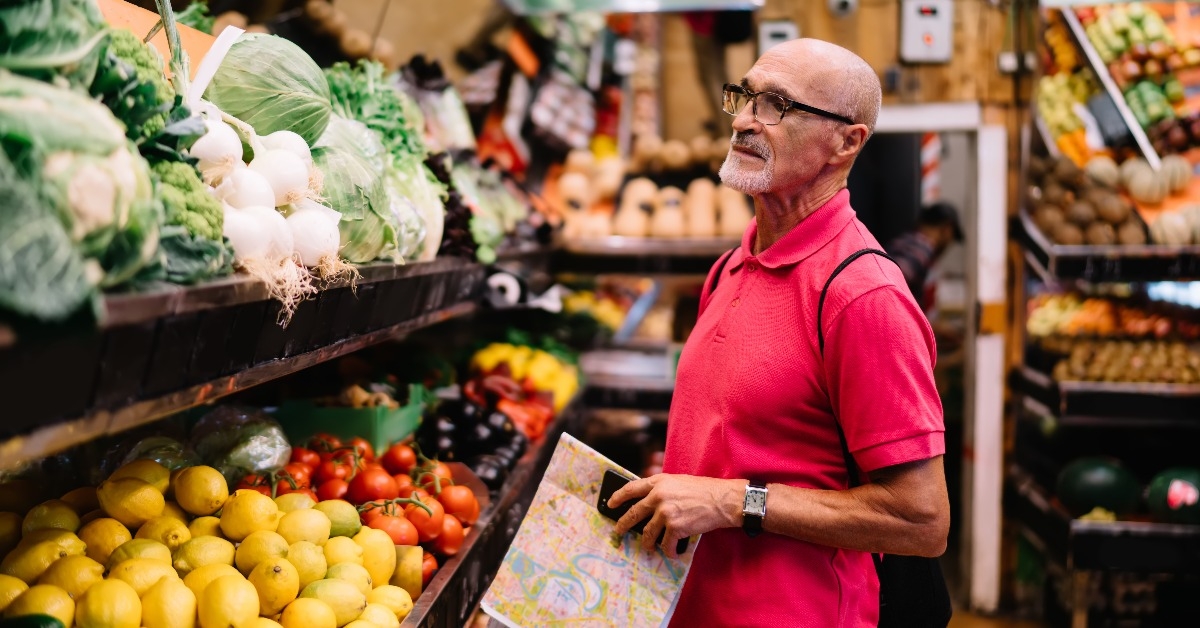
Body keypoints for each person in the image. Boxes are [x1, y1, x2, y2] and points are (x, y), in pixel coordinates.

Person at [607, 39, 950, 626]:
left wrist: (728, 499)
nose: (743, 118)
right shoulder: (731, 266)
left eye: (778, 105)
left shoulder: (863, 295)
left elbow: (920, 520)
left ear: (848, 141)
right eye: (744, 96)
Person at [885, 201, 964, 313]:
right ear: (946, 229)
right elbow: (891, 281)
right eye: (952, 237)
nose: (949, 244)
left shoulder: (907, 240)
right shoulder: (922, 248)